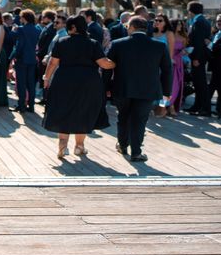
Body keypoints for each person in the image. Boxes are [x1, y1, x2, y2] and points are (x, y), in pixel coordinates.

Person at [42, 16, 114, 158]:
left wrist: (46, 78)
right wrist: (115, 63)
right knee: (83, 111)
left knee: (62, 110)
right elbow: (104, 64)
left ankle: (63, 146)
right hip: (88, 82)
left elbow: (53, 63)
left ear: (74, 27)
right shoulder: (93, 43)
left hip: (64, 80)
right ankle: (79, 147)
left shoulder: (62, 42)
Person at [107, 16, 172, 162]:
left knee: (123, 117)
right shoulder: (159, 46)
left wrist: (106, 86)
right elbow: (167, 70)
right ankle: (136, 152)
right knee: (140, 120)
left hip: (122, 87)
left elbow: (107, 68)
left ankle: (123, 145)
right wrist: (166, 92)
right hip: (147, 89)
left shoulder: (117, 44)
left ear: (131, 27)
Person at [184, 1, 212, 116]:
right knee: (197, 83)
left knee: (201, 84)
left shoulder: (199, 22)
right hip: (199, 56)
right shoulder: (201, 21)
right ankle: (197, 105)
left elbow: (199, 43)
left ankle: (205, 108)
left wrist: (196, 58)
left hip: (198, 58)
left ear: (190, 10)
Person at [12, 9, 41, 113]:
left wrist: (14, 56)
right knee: (31, 83)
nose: (20, 19)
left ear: (24, 18)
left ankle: (22, 106)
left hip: (22, 59)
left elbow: (19, 45)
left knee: (21, 84)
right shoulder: (37, 30)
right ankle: (31, 106)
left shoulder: (21, 29)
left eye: (21, 17)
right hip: (32, 59)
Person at [168, 19, 188, 116]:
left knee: (177, 84)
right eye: (179, 24)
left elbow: (184, 50)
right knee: (170, 84)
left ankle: (172, 105)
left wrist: (184, 52)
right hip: (170, 61)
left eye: (181, 25)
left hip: (179, 62)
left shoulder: (183, 37)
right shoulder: (168, 35)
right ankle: (168, 106)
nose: (180, 26)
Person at [209, 14, 221, 116]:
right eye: (217, 21)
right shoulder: (215, 33)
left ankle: (220, 109)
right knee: (212, 86)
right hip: (214, 65)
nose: (219, 23)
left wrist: (210, 45)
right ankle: (207, 108)